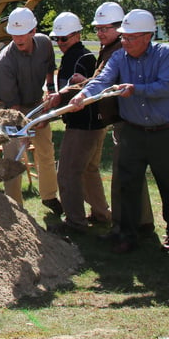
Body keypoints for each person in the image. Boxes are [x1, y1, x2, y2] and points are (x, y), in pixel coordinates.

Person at [70, 9, 169, 253]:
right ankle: (127, 234)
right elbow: (102, 81)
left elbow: (166, 87)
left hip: (165, 133)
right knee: (127, 184)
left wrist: (136, 89)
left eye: (130, 38)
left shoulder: (165, 54)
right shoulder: (119, 57)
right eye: (123, 37)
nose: (124, 42)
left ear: (147, 36)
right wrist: (82, 95)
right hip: (132, 132)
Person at [78, 2, 154, 239]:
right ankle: (142, 221)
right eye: (98, 29)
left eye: (105, 28)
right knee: (131, 173)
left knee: (123, 175)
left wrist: (82, 89)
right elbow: (100, 80)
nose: (100, 33)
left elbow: (105, 82)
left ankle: (125, 226)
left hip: (128, 121)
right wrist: (84, 86)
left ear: (120, 28)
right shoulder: (110, 49)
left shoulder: (118, 52)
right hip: (122, 121)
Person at [46, 12, 109, 233]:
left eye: (65, 39)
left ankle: (75, 221)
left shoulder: (82, 58)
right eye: (57, 39)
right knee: (89, 171)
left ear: (77, 35)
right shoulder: (73, 56)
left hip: (84, 125)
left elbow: (87, 89)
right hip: (91, 125)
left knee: (67, 173)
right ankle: (101, 213)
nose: (60, 43)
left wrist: (59, 99)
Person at [0, 7, 60, 212]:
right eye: (14, 34)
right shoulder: (4, 62)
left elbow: (50, 69)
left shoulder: (45, 44)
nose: (18, 39)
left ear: (33, 31)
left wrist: (49, 91)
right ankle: (15, 205)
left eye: (23, 34)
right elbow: (12, 104)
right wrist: (23, 130)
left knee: (46, 151)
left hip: (37, 103)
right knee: (13, 157)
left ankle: (49, 196)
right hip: (12, 111)